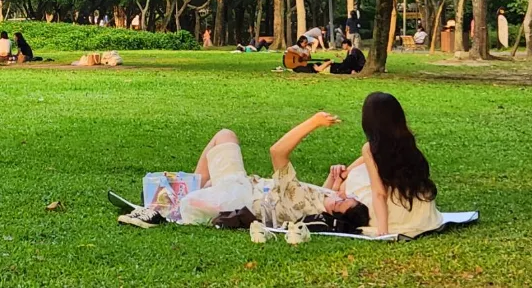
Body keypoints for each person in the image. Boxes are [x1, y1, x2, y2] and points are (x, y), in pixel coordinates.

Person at [121, 115, 370, 231]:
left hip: (239, 194)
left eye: (338, 201)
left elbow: (277, 152)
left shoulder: (299, 200)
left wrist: (313, 122)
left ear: (332, 215)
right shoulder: (320, 203)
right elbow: (364, 158)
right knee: (220, 150)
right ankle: (191, 189)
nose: (337, 196)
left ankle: (184, 194)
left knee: (225, 136)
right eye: (344, 196)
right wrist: (333, 181)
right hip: (244, 191)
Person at [332, 92, 441, 237]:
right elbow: (370, 157)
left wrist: (383, 231)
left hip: (394, 213)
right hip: (422, 211)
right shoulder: (407, 141)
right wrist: (349, 170)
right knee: (355, 173)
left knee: (351, 181)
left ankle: (338, 188)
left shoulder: (370, 149)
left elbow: (379, 194)